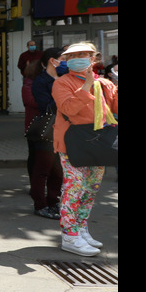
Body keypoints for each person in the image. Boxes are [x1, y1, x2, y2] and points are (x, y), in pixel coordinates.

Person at [52, 42, 117, 257]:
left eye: (84, 55)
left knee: (90, 189)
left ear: (93, 59)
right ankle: (69, 235)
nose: (79, 58)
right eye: (74, 55)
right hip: (73, 143)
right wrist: (87, 86)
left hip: (99, 143)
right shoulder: (62, 83)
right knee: (75, 187)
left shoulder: (105, 84)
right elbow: (68, 108)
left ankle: (81, 228)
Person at [29, 48, 65, 220]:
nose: (66, 62)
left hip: (65, 129)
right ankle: (40, 204)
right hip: (49, 130)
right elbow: (46, 106)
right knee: (42, 169)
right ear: (53, 60)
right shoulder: (41, 81)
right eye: (63, 59)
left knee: (58, 172)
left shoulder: (65, 79)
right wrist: (59, 89)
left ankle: (53, 202)